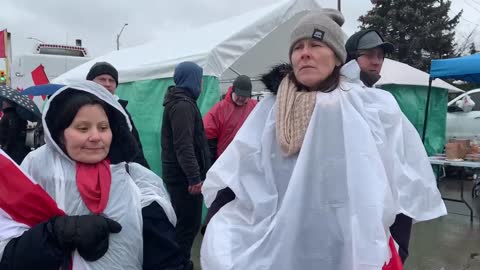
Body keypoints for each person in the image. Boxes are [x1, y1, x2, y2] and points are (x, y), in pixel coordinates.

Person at [200, 9, 446, 270]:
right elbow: (240, 167)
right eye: (298, 47)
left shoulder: (373, 108)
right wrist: (214, 224)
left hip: (347, 247)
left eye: (316, 44)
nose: (304, 53)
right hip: (281, 246)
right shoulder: (271, 110)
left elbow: (401, 176)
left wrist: (400, 244)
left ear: (337, 56)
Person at [0, 81, 189, 270]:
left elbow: (165, 257)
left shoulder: (135, 179)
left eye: (103, 127)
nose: (96, 137)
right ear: (59, 134)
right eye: (83, 128)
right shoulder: (37, 170)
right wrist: (58, 233)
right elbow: (10, 256)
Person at [346, 29, 413, 264]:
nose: (377, 61)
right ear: (351, 58)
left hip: (394, 206)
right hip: (360, 207)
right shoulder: (338, 99)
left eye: (381, 56)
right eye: (370, 55)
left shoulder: (384, 100)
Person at [161, 61, 210, 267]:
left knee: (183, 224)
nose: (200, 83)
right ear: (191, 79)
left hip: (180, 176)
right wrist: (194, 177)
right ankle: (179, 264)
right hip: (184, 180)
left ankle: (180, 262)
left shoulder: (181, 102)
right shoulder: (182, 106)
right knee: (186, 226)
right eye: (198, 79)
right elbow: (184, 146)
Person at [200, 75, 257, 234]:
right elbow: (208, 137)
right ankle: (209, 226)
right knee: (222, 196)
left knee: (242, 199)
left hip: (247, 163)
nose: (241, 98)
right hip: (224, 162)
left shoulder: (254, 107)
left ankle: (238, 231)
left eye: (245, 96)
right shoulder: (219, 109)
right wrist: (212, 164)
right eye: (239, 94)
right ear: (233, 90)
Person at [86, 61, 150, 168]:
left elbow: (134, 145)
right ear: (90, 82)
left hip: (118, 171)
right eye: (102, 79)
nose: (107, 84)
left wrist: (142, 169)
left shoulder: (121, 110)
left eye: (111, 80)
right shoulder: (78, 108)